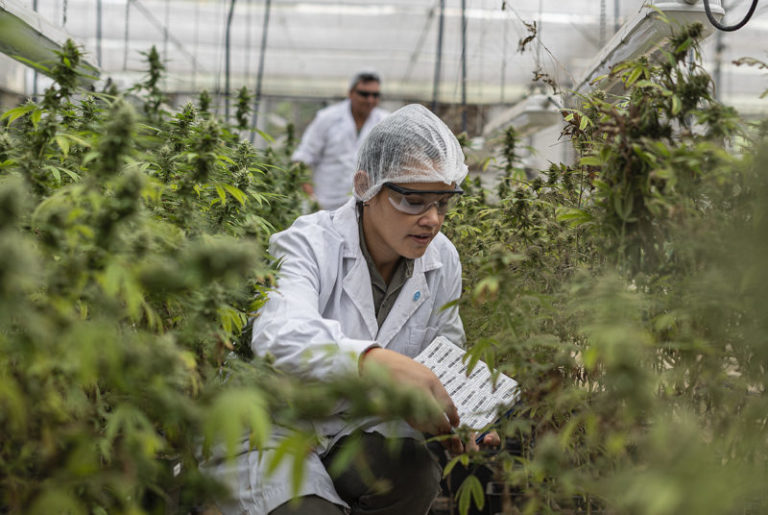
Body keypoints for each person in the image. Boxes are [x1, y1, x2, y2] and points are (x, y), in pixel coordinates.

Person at [207, 104, 498, 515]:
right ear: (366, 186)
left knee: (414, 474)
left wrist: (466, 414)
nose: (432, 219)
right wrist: (374, 363)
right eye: (414, 200)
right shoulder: (308, 243)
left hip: (359, 427)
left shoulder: (442, 259)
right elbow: (280, 334)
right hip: (277, 424)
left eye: (444, 202)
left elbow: (445, 346)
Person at [292, 70, 389, 210]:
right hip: (325, 206)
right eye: (364, 94)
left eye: (375, 95)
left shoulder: (386, 122)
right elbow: (301, 160)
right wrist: (311, 198)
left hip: (366, 207)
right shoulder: (327, 118)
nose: (370, 100)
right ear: (350, 93)